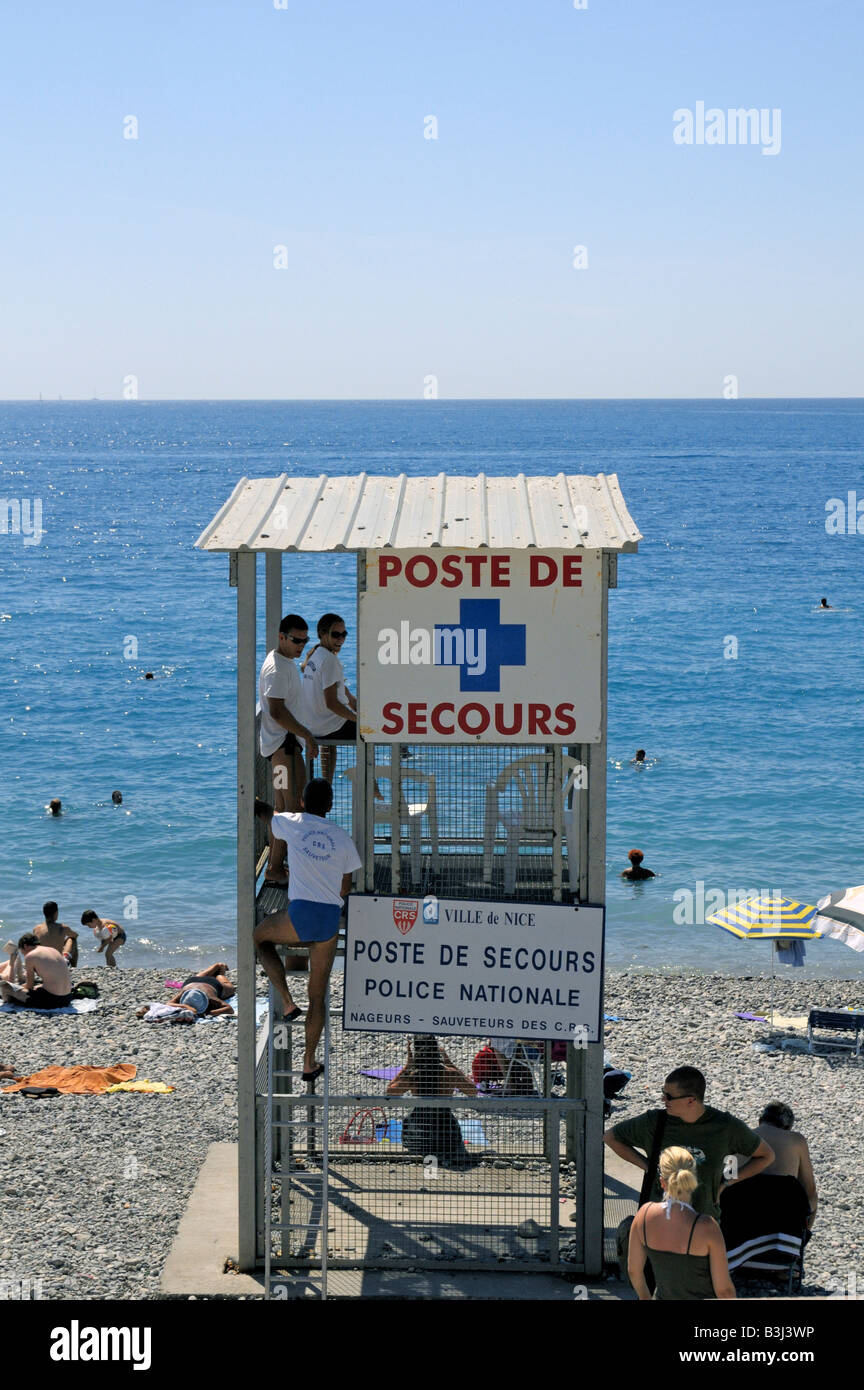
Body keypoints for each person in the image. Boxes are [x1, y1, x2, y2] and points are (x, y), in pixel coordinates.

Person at [253, 778, 361, 1081]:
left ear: (301, 801)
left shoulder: (293, 822)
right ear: (330, 805)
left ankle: (287, 1001)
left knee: (260, 937)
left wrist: (253, 799)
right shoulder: (342, 837)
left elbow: (266, 814)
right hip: (328, 921)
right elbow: (344, 887)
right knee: (318, 997)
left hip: (299, 916)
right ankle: (309, 1062)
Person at [604, 1065, 774, 1220]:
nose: (663, 1099)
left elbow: (766, 1156)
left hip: (703, 1223)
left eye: (668, 1096)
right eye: (663, 1092)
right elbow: (611, 1137)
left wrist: (727, 1183)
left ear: (691, 1100)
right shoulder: (654, 1122)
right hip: (658, 1222)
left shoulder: (725, 1127)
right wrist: (648, 1166)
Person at [628, 1146, 736, 1300]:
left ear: (662, 1182)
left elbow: (634, 1271)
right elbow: (724, 1291)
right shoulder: (707, 1227)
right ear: (693, 1180)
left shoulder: (643, 1216)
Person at [258, 614, 320, 886]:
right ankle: (286, 869)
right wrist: (306, 735)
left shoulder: (285, 663)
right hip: (285, 747)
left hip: (282, 746)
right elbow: (277, 710)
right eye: (296, 640)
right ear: (281, 637)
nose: (301, 645)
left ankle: (275, 869)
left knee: (284, 812)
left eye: (305, 640)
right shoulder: (277, 668)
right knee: (294, 810)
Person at [386, 1035, 480, 1169]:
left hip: (418, 1138)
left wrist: (407, 1066)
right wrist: (450, 1063)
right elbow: (472, 1091)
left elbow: (390, 1091)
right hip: (448, 1137)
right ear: (436, 1050)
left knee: (409, 1120)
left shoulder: (413, 1076)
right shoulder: (449, 1073)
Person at [301, 614, 357, 783]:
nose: (340, 639)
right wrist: (357, 719)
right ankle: (371, 784)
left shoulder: (315, 655)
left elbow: (339, 688)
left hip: (312, 723)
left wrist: (354, 702)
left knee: (329, 746)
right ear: (322, 634)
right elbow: (332, 703)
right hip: (327, 724)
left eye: (344, 634)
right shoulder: (330, 660)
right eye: (335, 634)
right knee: (367, 733)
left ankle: (327, 784)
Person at [755, 1102, 818, 1229]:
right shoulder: (796, 1140)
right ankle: (800, 1243)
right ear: (788, 1128)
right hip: (783, 1211)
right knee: (814, 1198)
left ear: (760, 1121)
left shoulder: (743, 1136)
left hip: (743, 1205)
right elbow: (809, 1190)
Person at [137, 962, 236, 1019]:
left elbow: (229, 1009)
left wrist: (208, 1013)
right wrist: (185, 1006)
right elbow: (168, 1003)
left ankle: (220, 970)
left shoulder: (210, 998)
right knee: (202, 977)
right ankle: (217, 966)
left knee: (229, 988)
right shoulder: (186, 993)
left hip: (204, 983)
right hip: (192, 982)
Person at [0, 934, 72, 1010]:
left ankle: (9, 1004)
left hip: (53, 1001)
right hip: (67, 998)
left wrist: (20, 987)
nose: (24, 955)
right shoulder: (53, 950)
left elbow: (29, 986)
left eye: (23, 952)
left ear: (25, 946)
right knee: (38, 986)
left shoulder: (30, 956)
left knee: (6, 987)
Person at [34, 901, 78, 968]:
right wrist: (62, 941)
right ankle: (74, 967)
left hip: (42, 964)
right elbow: (75, 935)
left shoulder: (36, 929)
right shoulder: (63, 927)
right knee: (72, 939)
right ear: (56, 913)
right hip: (58, 964)